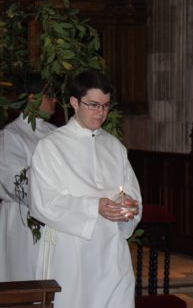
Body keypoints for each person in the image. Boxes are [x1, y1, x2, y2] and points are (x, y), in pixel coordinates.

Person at [29, 71, 142, 308]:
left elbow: (131, 192)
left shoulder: (114, 146)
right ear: (73, 102)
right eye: (93, 105)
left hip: (112, 250)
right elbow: (43, 203)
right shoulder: (51, 146)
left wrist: (130, 207)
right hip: (71, 250)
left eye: (105, 106)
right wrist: (95, 206)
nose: (101, 113)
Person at [0, 74, 57, 282]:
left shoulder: (57, 133)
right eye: (49, 95)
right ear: (32, 99)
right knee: (26, 277)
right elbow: (14, 181)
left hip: (55, 217)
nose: (55, 100)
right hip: (23, 220)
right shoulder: (12, 135)